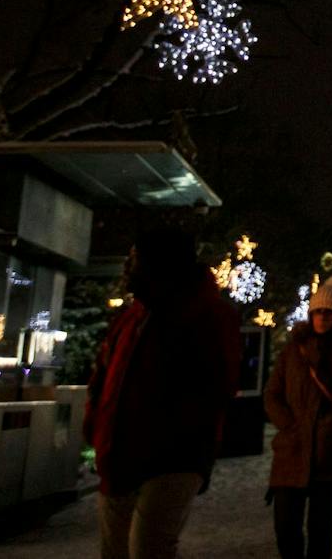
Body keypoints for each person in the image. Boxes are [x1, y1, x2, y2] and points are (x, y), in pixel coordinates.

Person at [85, 225, 240, 559]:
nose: (127, 267)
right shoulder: (133, 317)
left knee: (148, 547)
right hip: (120, 454)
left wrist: (178, 432)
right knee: (115, 550)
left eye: (135, 258)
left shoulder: (204, 315)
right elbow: (103, 376)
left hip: (173, 456)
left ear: (159, 264)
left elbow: (216, 385)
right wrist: (97, 429)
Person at [265, 276, 332, 559]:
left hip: (331, 451)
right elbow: (272, 393)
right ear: (310, 313)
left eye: (330, 312)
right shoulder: (293, 350)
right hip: (293, 449)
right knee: (285, 527)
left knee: (320, 529)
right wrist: (288, 425)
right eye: (319, 311)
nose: (323, 316)